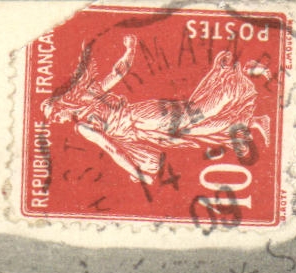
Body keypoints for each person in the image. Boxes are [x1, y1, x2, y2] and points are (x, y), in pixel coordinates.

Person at [41, 34, 271, 183]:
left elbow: (112, 149)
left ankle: (238, 74)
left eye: (54, 116)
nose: (57, 121)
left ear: (60, 106)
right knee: (197, 129)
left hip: (144, 119)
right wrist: (129, 49)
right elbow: (118, 73)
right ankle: (254, 120)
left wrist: (135, 171)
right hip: (146, 123)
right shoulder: (88, 95)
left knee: (196, 114)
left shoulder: (83, 126)